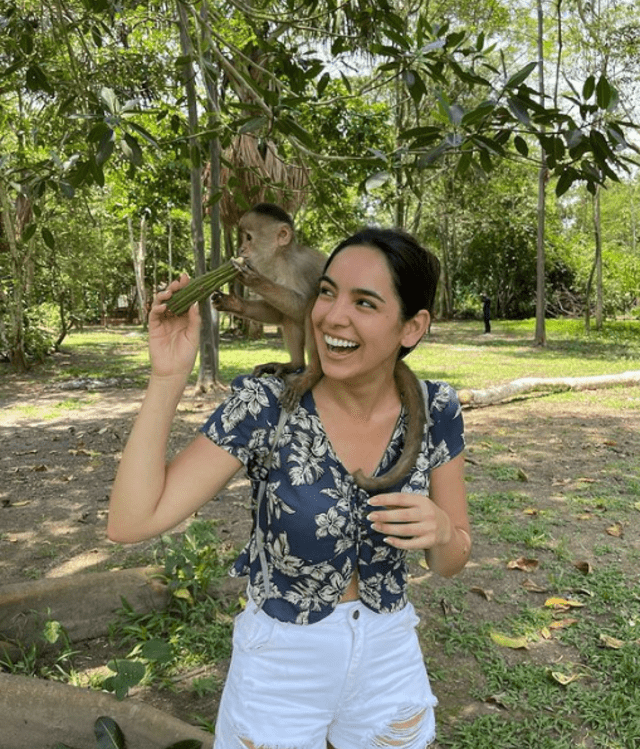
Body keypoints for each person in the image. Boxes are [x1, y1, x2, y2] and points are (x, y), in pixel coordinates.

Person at [107, 227, 470, 749]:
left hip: (388, 656)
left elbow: (454, 558)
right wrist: (167, 376)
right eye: (327, 292)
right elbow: (131, 521)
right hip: (280, 665)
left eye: (364, 302)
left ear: (412, 327)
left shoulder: (436, 409)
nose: (331, 317)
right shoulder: (266, 406)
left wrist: (440, 533)